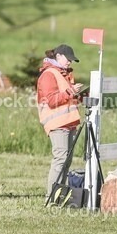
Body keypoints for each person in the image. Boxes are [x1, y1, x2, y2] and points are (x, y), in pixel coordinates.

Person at [36, 44, 84, 201]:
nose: (70, 62)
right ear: (58, 56)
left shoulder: (64, 74)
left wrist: (81, 95)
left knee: (66, 161)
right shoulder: (49, 74)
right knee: (60, 160)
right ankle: (51, 197)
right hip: (57, 123)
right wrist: (71, 91)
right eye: (68, 59)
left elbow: (67, 98)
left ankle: (60, 195)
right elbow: (51, 100)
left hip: (68, 123)